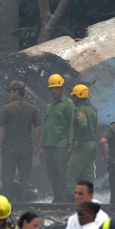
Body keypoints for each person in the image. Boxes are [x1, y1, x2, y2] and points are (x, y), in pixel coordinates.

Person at [0, 81, 41, 202]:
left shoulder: (6, 108)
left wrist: (0, 146)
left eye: (10, 92)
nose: (9, 94)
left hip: (9, 148)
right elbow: (38, 128)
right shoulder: (32, 108)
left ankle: (8, 202)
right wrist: (35, 145)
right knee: (25, 177)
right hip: (26, 148)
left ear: (16, 92)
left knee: (8, 177)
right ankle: (24, 203)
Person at [40, 74, 76, 203]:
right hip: (49, 145)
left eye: (56, 87)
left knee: (63, 173)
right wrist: (42, 147)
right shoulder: (50, 105)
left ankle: (65, 199)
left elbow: (72, 125)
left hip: (61, 145)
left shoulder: (68, 105)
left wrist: (70, 144)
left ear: (62, 88)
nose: (54, 90)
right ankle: (58, 198)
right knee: (52, 174)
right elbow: (46, 127)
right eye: (52, 88)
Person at [64, 85, 99, 196]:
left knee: (71, 171)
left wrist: (78, 141)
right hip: (92, 144)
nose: (73, 98)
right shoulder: (92, 111)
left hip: (83, 145)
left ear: (77, 97)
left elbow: (83, 124)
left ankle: (70, 199)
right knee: (87, 175)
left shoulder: (80, 110)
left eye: (73, 96)